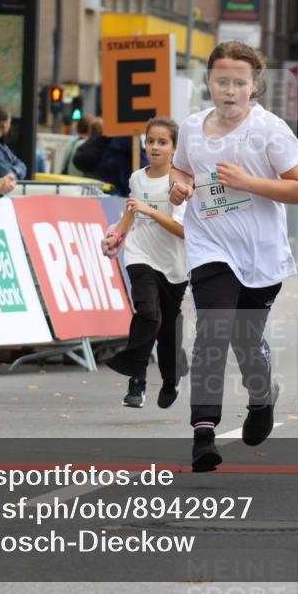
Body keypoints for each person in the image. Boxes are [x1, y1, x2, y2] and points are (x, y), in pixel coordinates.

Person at [168, 41, 298, 472]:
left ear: (255, 86)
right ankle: (203, 434)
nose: (229, 90)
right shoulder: (192, 127)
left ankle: (262, 395)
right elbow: (181, 169)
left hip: (261, 254)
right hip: (210, 246)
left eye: (239, 83)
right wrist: (180, 186)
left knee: (244, 339)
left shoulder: (270, 129)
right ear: (208, 82)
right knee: (212, 333)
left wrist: (249, 182)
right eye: (221, 81)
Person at [100, 117, 188, 409]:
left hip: (175, 264)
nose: (154, 147)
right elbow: (131, 212)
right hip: (141, 254)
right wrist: (116, 236)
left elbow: (183, 230)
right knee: (148, 313)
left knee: (167, 329)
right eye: (150, 141)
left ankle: (170, 378)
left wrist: (148, 209)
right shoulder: (138, 178)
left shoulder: (180, 183)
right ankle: (135, 379)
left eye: (162, 142)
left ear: (175, 148)